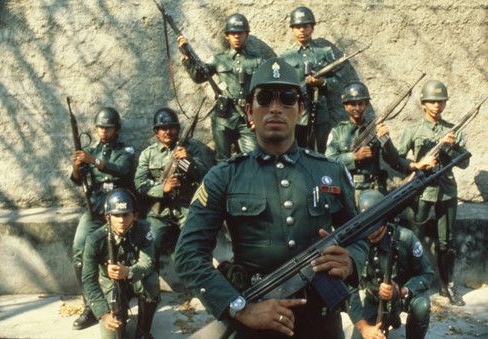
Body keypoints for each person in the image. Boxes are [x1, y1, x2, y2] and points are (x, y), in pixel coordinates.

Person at [174, 57, 369, 338]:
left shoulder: (331, 171)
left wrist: (351, 261)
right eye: (264, 98)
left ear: (300, 110)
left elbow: (359, 234)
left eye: (287, 98)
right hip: (255, 325)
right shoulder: (224, 176)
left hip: (321, 321)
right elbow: (188, 255)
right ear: (249, 112)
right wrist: (241, 308)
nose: (275, 108)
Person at [396, 80, 469, 306]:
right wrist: (417, 165)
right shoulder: (413, 130)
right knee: (414, 241)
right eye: (432, 101)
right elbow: (398, 159)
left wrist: (454, 146)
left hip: (446, 192)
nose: (436, 106)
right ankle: (412, 287)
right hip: (421, 192)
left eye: (441, 101)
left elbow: (465, 163)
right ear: (423, 103)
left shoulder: (453, 131)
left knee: (446, 242)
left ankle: (448, 286)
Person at [70, 107, 135, 330]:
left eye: (108, 127)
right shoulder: (89, 149)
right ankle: (90, 305)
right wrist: (77, 166)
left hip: (117, 207)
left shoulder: (125, 149)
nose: (103, 131)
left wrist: (94, 161)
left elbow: (122, 169)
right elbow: (78, 180)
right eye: (100, 127)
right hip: (94, 208)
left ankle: (125, 297)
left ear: (117, 129)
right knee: (79, 249)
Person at [177, 13, 264, 163]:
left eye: (240, 33)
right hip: (223, 117)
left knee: (254, 158)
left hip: (247, 118)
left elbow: (266, 89)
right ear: (227, 36)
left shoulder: (257, 60)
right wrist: (187, 55)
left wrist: (259, 115)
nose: (236, 37)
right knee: (222, 160)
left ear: (247, 34)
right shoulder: (218, 59)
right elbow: (199, 76)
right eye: (233, 34)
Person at [347, 190, 434, 339]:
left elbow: (427, 274)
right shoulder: (354, 244)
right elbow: (349, 290)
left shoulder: (405, 238)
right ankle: (390, 319)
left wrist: (402, 291)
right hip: (373, 300)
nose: (369, 230)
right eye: (364, 223)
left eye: (375, 223)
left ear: (386, 220)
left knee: (422, 307)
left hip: (402, 298)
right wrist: (364, 327)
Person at [134, 108, 211, 272]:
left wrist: (189, 161)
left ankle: (201, 289)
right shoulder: (148, 154)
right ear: (156, 132)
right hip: (159, 212)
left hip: (186, 207)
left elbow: (207, 177)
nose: (168, 131)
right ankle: (149, 291)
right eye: (163, 128)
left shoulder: (192, 149)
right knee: (149, 243)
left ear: (178, 129)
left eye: (172, 127)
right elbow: (139, 183)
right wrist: (163, 188)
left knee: (198, 242)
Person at [82, 188, 159, 339]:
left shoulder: (144, 230)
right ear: (107, 217)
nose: (121, 221)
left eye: (126, 215)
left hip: (135, 279)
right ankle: (120, 313)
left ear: (135, 215)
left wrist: (128, 272)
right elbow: (89, 280)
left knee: (151, 282)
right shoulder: (94, 240)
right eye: (116, 215)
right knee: (113, 335)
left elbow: (148, 263)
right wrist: (103, 314)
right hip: (111, 287)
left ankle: (143, 331)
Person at [279, 6, 342, 153]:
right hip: (294, 110)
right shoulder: (285, 56)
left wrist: (322, 83)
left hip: (319, 108)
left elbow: (336, 80)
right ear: (292, 29)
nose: (302, 30)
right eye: (298, 27)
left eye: (306, 26)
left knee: (319, 151)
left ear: (312, 28)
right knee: (294, 150)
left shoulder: (324, 52)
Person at [326, 82, 400, 200]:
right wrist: (353, 157)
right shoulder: (337, 132)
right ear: (345, 106)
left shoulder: (374, 128)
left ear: (366, 105)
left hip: (372, 188)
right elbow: (329, 162)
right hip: (347, 190)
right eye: (352, 104)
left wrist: (387, 141)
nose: (357, 108)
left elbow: (393, 159)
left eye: (361, 104)